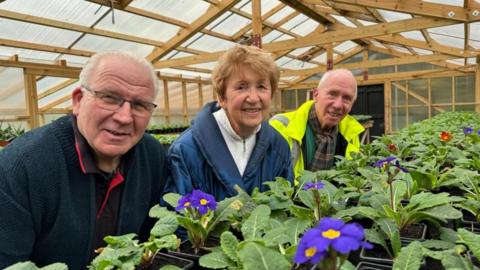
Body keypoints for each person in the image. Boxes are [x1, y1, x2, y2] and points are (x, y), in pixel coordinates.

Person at [0, 51, 168, 269]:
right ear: (78, 100)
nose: (124, 117)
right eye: (109, 97)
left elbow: (149, 243)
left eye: (139, 105)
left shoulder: (152, 156)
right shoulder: (22, 167)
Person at [166, 45, 293, 200]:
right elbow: (177, 217)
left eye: (261, 86)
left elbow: (285, 209)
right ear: (221, 97)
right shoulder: (186, 151)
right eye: (241, 87)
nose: (253, 98)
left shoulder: (279, 147)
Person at [270, 69, 364, 179]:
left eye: (347, 98)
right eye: (332, 94)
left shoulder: (350, 134)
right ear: (315, 95)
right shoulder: (280, 127)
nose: (338, 105)